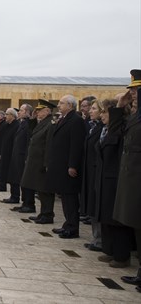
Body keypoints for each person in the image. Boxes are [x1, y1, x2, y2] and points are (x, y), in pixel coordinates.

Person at [94, 98, 133, 268]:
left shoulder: (120, 128)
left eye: (105, 112)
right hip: (106, 178)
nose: (102, 115)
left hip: (115, 179)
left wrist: (118, 107)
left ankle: (121, 255)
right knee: (106, 217)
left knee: (116, 220)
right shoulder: (106, 130)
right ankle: (109, 250)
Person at [113, 69, 141, 291]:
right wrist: (120, 106)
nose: (132, 95)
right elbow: (115, 133)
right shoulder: (134, 117)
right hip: (132, 178)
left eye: (136, 91)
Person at [48, 95, 86, 239]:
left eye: (61, 103)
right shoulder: (64, 119)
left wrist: (73, 165)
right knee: (65, 196)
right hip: (61, 165)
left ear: (70, 105)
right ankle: (67, 224)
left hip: (68, 166)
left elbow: (76, 145)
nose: (59, 105)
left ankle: (72, 228)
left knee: (70, 197)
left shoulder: (76, 121)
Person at [21, 99, 57, 224]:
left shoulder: (50, 123)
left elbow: (49, 145)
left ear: (47, 111)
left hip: (42, 161)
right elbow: (32, 133)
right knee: (40, 189)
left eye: (39, 110)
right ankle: (43, 213)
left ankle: (48, 214)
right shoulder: (42, 122)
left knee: (45, 190)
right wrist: (32, 118)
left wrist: (46, 163)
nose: (37, 112)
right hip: (36, 160)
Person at [81, 99, 103, 251]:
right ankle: (96, 238)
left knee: (98, 206)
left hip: (98, 171)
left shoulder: (102, 128)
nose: (90, 111)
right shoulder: (94, 127)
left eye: (93, 108)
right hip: (90, 170)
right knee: (93, 204)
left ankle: (100, 240)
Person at [8, 104, 33, 211]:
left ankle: (29, 204)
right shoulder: (22, 124)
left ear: (27, 112)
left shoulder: (28, 125)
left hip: (23, 157)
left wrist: (27, 157)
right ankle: (24, 203)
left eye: (22, 110)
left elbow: (28, 142)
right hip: (18, 156)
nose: (19, 112)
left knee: (26, 181)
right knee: (21, 180)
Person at [0, 108, 18, 196]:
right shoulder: (7, 125)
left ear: (12, 116)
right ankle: (12, 195)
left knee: (13, 175)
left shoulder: (16, 125)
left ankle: (15, 195)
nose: (5, 116)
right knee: (6, 173)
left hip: (11, 154)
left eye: (7, 114)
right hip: (5, 153)